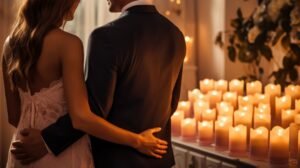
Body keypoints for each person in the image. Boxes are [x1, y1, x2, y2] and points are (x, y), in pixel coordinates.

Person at [12, 0, 186, 167]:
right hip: (157, 156)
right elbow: (172, 103)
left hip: (114, 161)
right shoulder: (175, 34)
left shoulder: (105, 36)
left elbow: (94, 109)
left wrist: (47, 140)